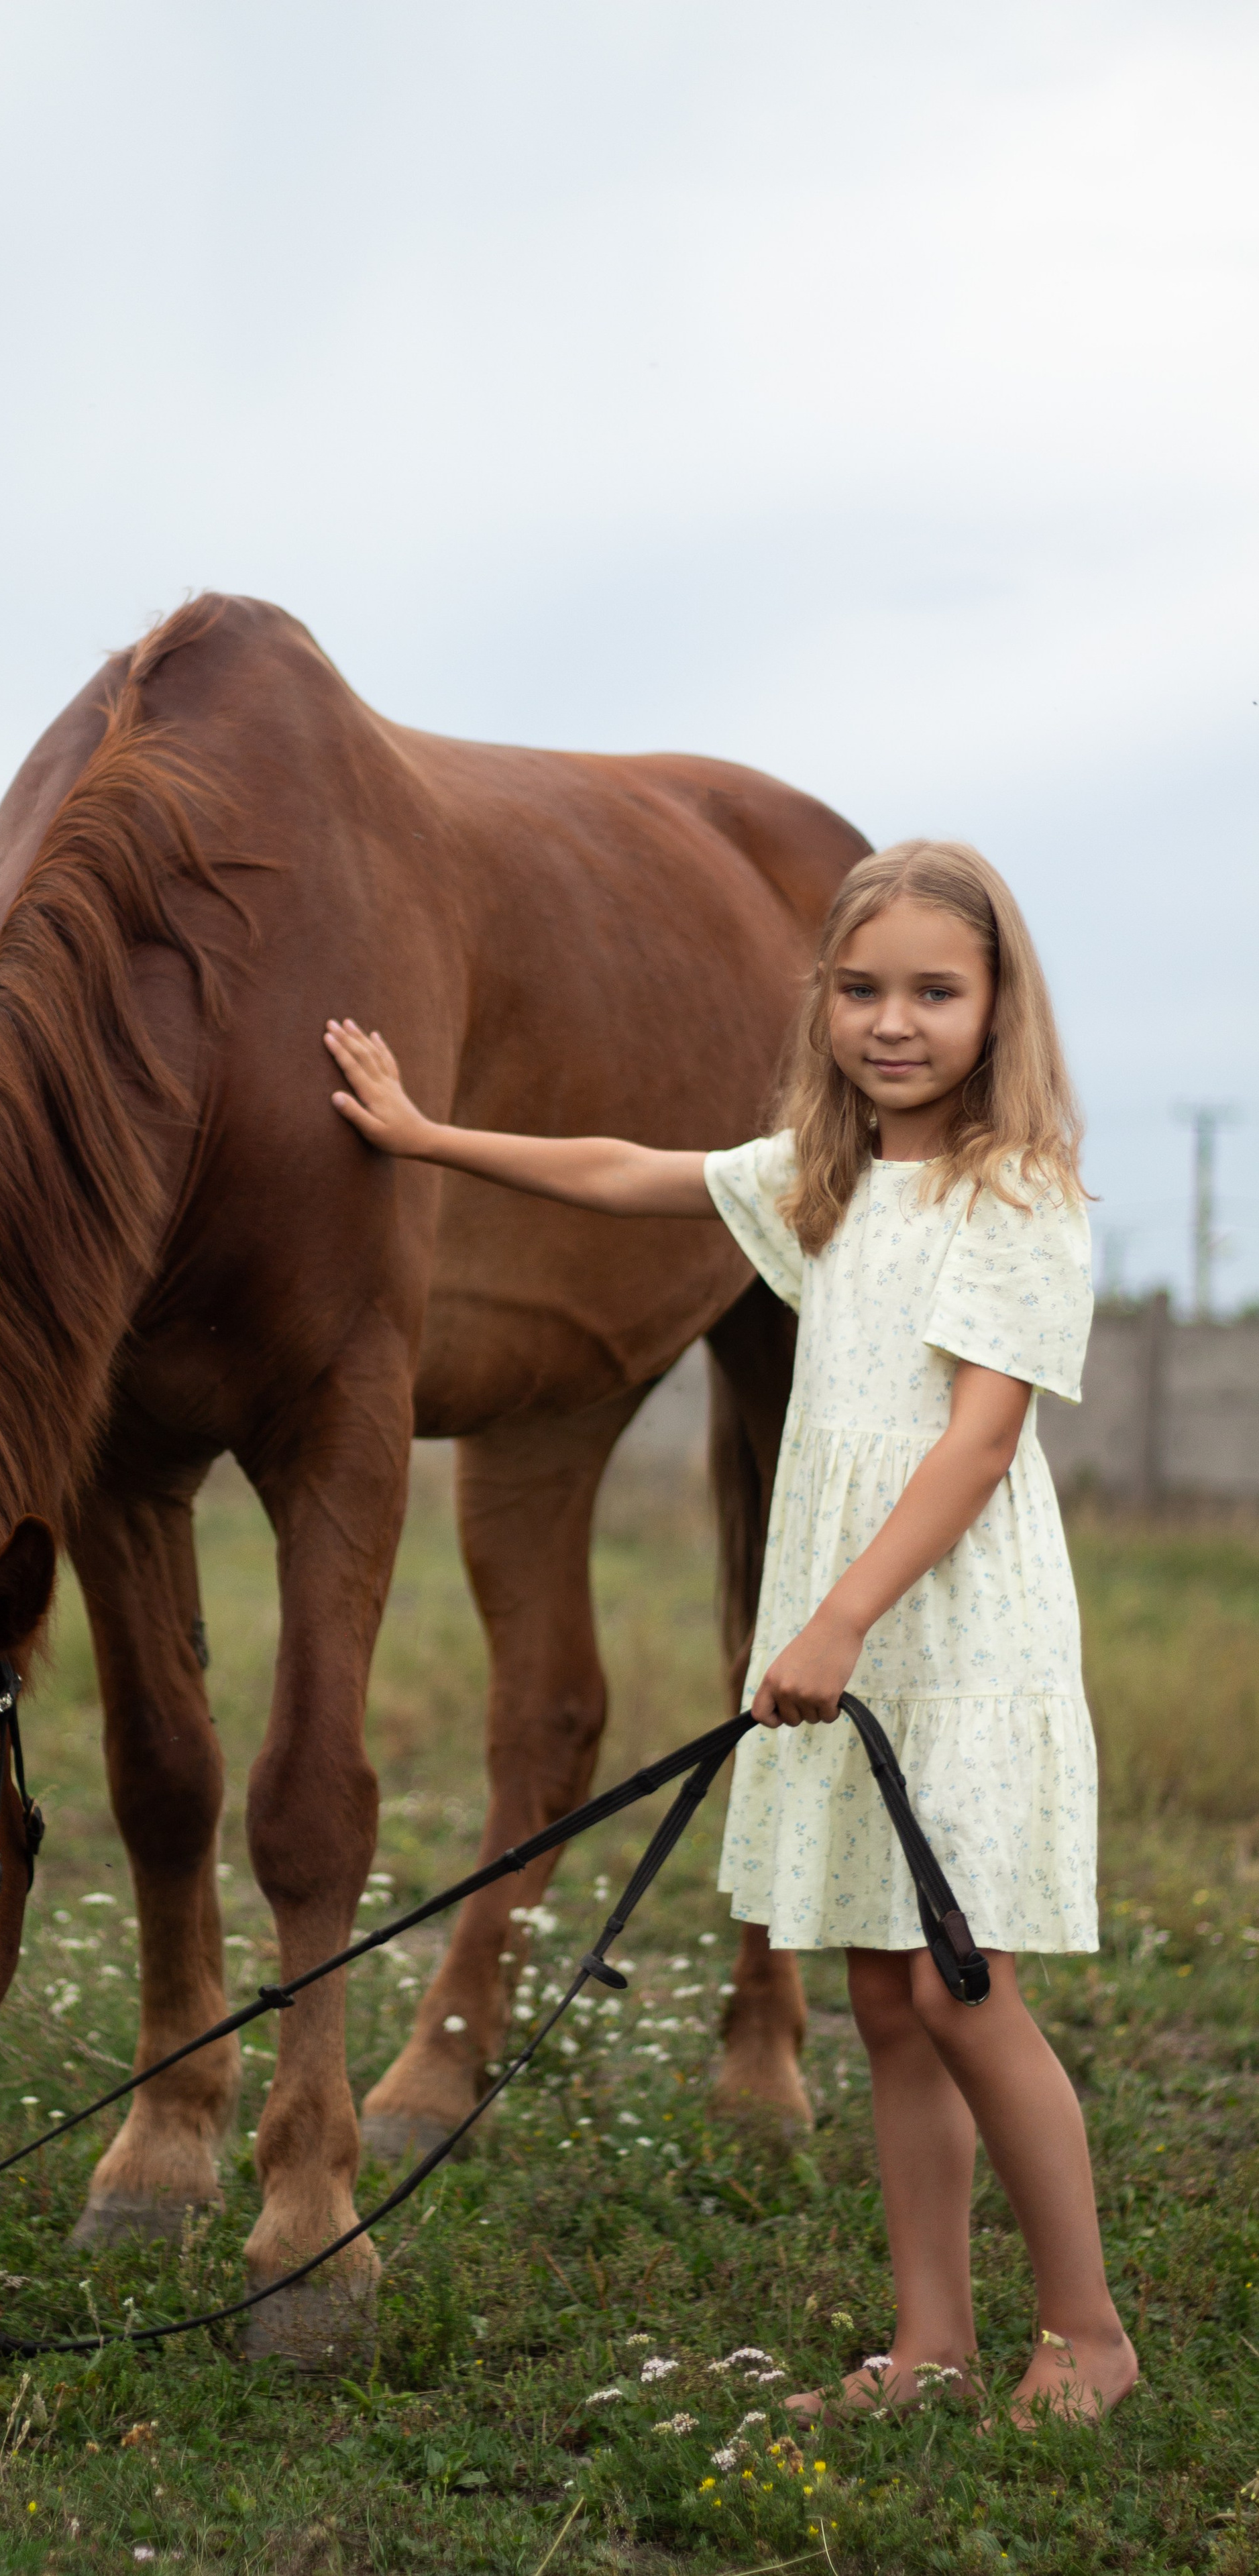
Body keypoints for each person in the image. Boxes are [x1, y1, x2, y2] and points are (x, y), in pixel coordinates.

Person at [323, 837, 1136, 2428]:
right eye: (858, 988)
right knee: (885, 2001)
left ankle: (1088, 2333)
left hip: (948, 1638)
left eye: (932, 990)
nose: (890, 1021)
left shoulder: (1015, 1192)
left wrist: (832, 1617)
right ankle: (930, 2346)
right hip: (843, 1641)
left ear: (996, 1007)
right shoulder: (824, 1184)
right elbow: (631, 1171)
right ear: (819, 999)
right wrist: (425, 1138)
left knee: (966, 1992)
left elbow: (976, 1443)